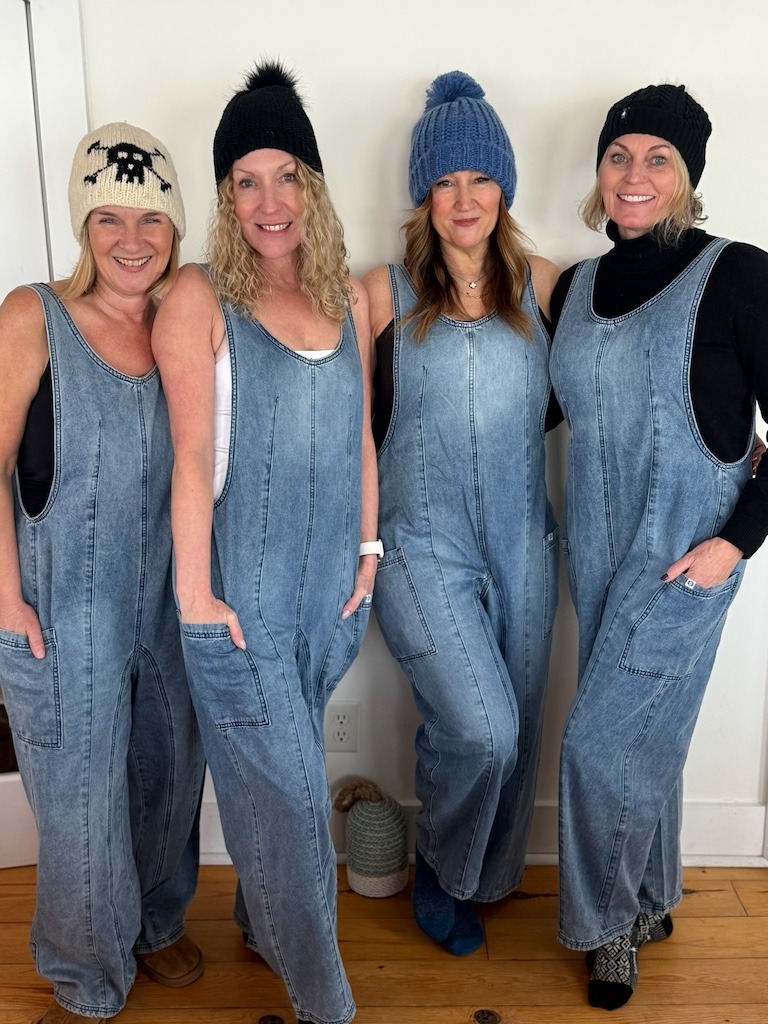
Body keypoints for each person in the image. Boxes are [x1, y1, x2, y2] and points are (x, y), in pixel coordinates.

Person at [152, 61, 376, 1024]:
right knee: (289, 810)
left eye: (286, 175)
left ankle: (255, 919)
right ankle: (328, 1006)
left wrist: (370, 557)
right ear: (224, 195)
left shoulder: (348, 300)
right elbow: (193, 457)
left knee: (281, 786)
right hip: (237, 597)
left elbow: (363, 437)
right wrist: (198, 600)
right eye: (246, 179)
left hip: (330, 596)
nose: (268, 200)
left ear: (314, 186)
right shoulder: (201, 295)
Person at [549, 83, 768, 1009]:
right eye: (619, 156)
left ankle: (605, 931)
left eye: (658, 159)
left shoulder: (742, 275)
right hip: (593, 554)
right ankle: (651, 897)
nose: (634, 176)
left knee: (600, 748)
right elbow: (542, 407)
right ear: (599, 173)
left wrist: (736, 545)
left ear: (687, 178)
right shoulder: (573, 285)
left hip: (686, 558)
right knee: (645, 742)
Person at [0, 123, 205, 1024]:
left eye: (152, 218)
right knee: (81, 812)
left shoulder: (182, 326)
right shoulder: (31, 317)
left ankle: (158, 924)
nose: (132, 239)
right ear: (83, 227)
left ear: (175, 227)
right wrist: (4, 598)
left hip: (165, 599)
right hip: (60, 605)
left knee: (169, 774)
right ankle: (86, 977)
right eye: (110, 217)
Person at [364, 71, 560, 956]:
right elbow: (334, 419)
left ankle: (488, 875)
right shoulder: (383, 295)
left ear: (504, 187)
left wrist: (725, 439)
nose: (465, 199)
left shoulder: (549, 287)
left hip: (523, 541)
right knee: (483, 728)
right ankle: (443, 868)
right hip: (418, 547)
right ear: (424, 196)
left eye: (480, 179)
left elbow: (621, 374)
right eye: (446, 182)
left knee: (516, 727)